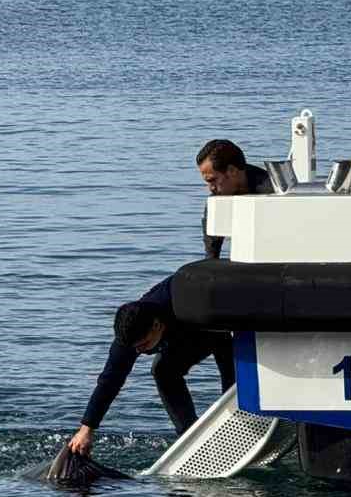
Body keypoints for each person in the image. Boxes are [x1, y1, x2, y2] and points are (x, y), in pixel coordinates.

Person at [67, 274, 234, 455]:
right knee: (163, 371)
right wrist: (86, 430)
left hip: (211, 321)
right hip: (182, 331)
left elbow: (225, 348)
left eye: (143, 345)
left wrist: (231, 402)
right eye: (135, 348)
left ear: (156, 325)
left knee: (228, 370)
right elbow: (110, 380)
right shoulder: (130, 336)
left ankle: (237, 419)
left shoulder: (187, 311)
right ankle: (190, 435)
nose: (139, 352)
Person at [196, 138, 272, 259]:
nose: (210, 188)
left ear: (232, 171)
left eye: (212, 180)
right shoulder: (218, 197)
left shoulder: (272, 192)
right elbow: (211, 254)